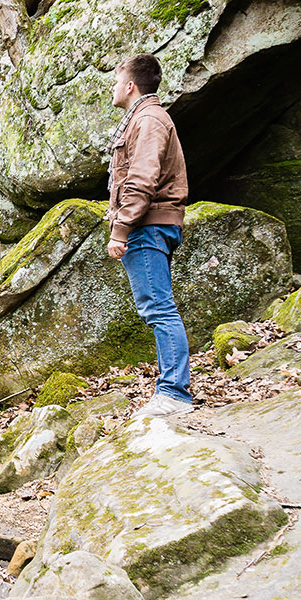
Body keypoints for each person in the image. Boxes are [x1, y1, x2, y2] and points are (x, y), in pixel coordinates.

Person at [105, 53, 193, 418]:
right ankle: (171, 390)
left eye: (115, 80)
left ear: (130, 85)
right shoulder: (144, 119)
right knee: (156, 307)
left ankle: (174, 394)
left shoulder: (149, 120)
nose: (112, 87)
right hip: (150, 224)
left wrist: (121, 229)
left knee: (158, 309)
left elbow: (141, 180)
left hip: (147, 226)